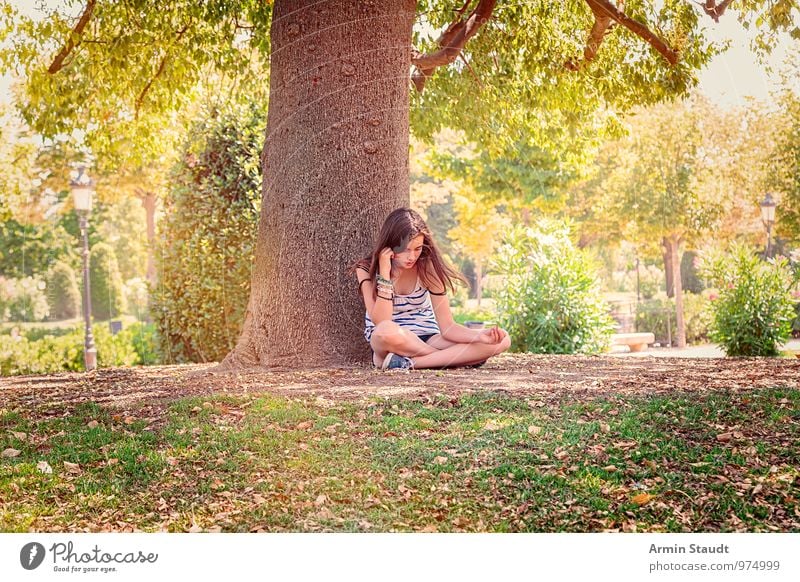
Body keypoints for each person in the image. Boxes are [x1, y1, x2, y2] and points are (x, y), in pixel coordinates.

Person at [349, 207, 511, 370]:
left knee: (502, 340)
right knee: (385, 330)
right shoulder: (365, 269)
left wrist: (480, 336)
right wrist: (384, 272)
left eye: (417, 249)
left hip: (428, 336)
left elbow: (448, 327)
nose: (412, 257)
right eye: (405, 249)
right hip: (390, 340)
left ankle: (409, 363)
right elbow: (381, 321)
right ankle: (456, 358)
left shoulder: (427, 268)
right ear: (390, 245)